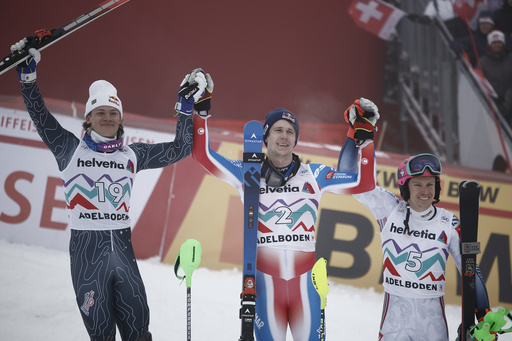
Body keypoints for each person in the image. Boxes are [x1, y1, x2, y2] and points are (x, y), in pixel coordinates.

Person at [10, 39, 204, 341]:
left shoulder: (131, 155)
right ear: (88, 118)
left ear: (121, 118)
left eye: (113, 113)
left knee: (139, 332)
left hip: (124, 253)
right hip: (88, 255)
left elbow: (181, 148)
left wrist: (186, 106)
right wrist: (28, 79)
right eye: (100, 113)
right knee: (102, 336)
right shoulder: (69, 149)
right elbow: (41, 118)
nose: (108, 118)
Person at [192, 69, 379, 340]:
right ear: (265, 137)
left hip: (307, 286)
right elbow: (203, 156)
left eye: (290, 131)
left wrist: (363, 136)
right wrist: (201, 108)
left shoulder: (314, 175)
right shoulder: (247, 173)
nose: (284, 135)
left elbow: (362, 183)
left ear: (295, 139)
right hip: (265, 287)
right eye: (278, 129)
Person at [343, 152, 494, 340]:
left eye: (430, 184)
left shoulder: (449, 222)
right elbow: (347, 175)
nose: (425, 191)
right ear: (405, 187)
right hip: (394, 322)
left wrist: (484, 315)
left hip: (432, 325)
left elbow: (471, 270)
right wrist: (357, 137)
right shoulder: (389, 210)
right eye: (418, 185)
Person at [480, 29, 512, 126]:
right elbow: (481, 81)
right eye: (494, 43)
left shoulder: (510, 58)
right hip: (493, 102)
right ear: (490, 44)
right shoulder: (482, 61)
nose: (497, 45)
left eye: (499, 42)